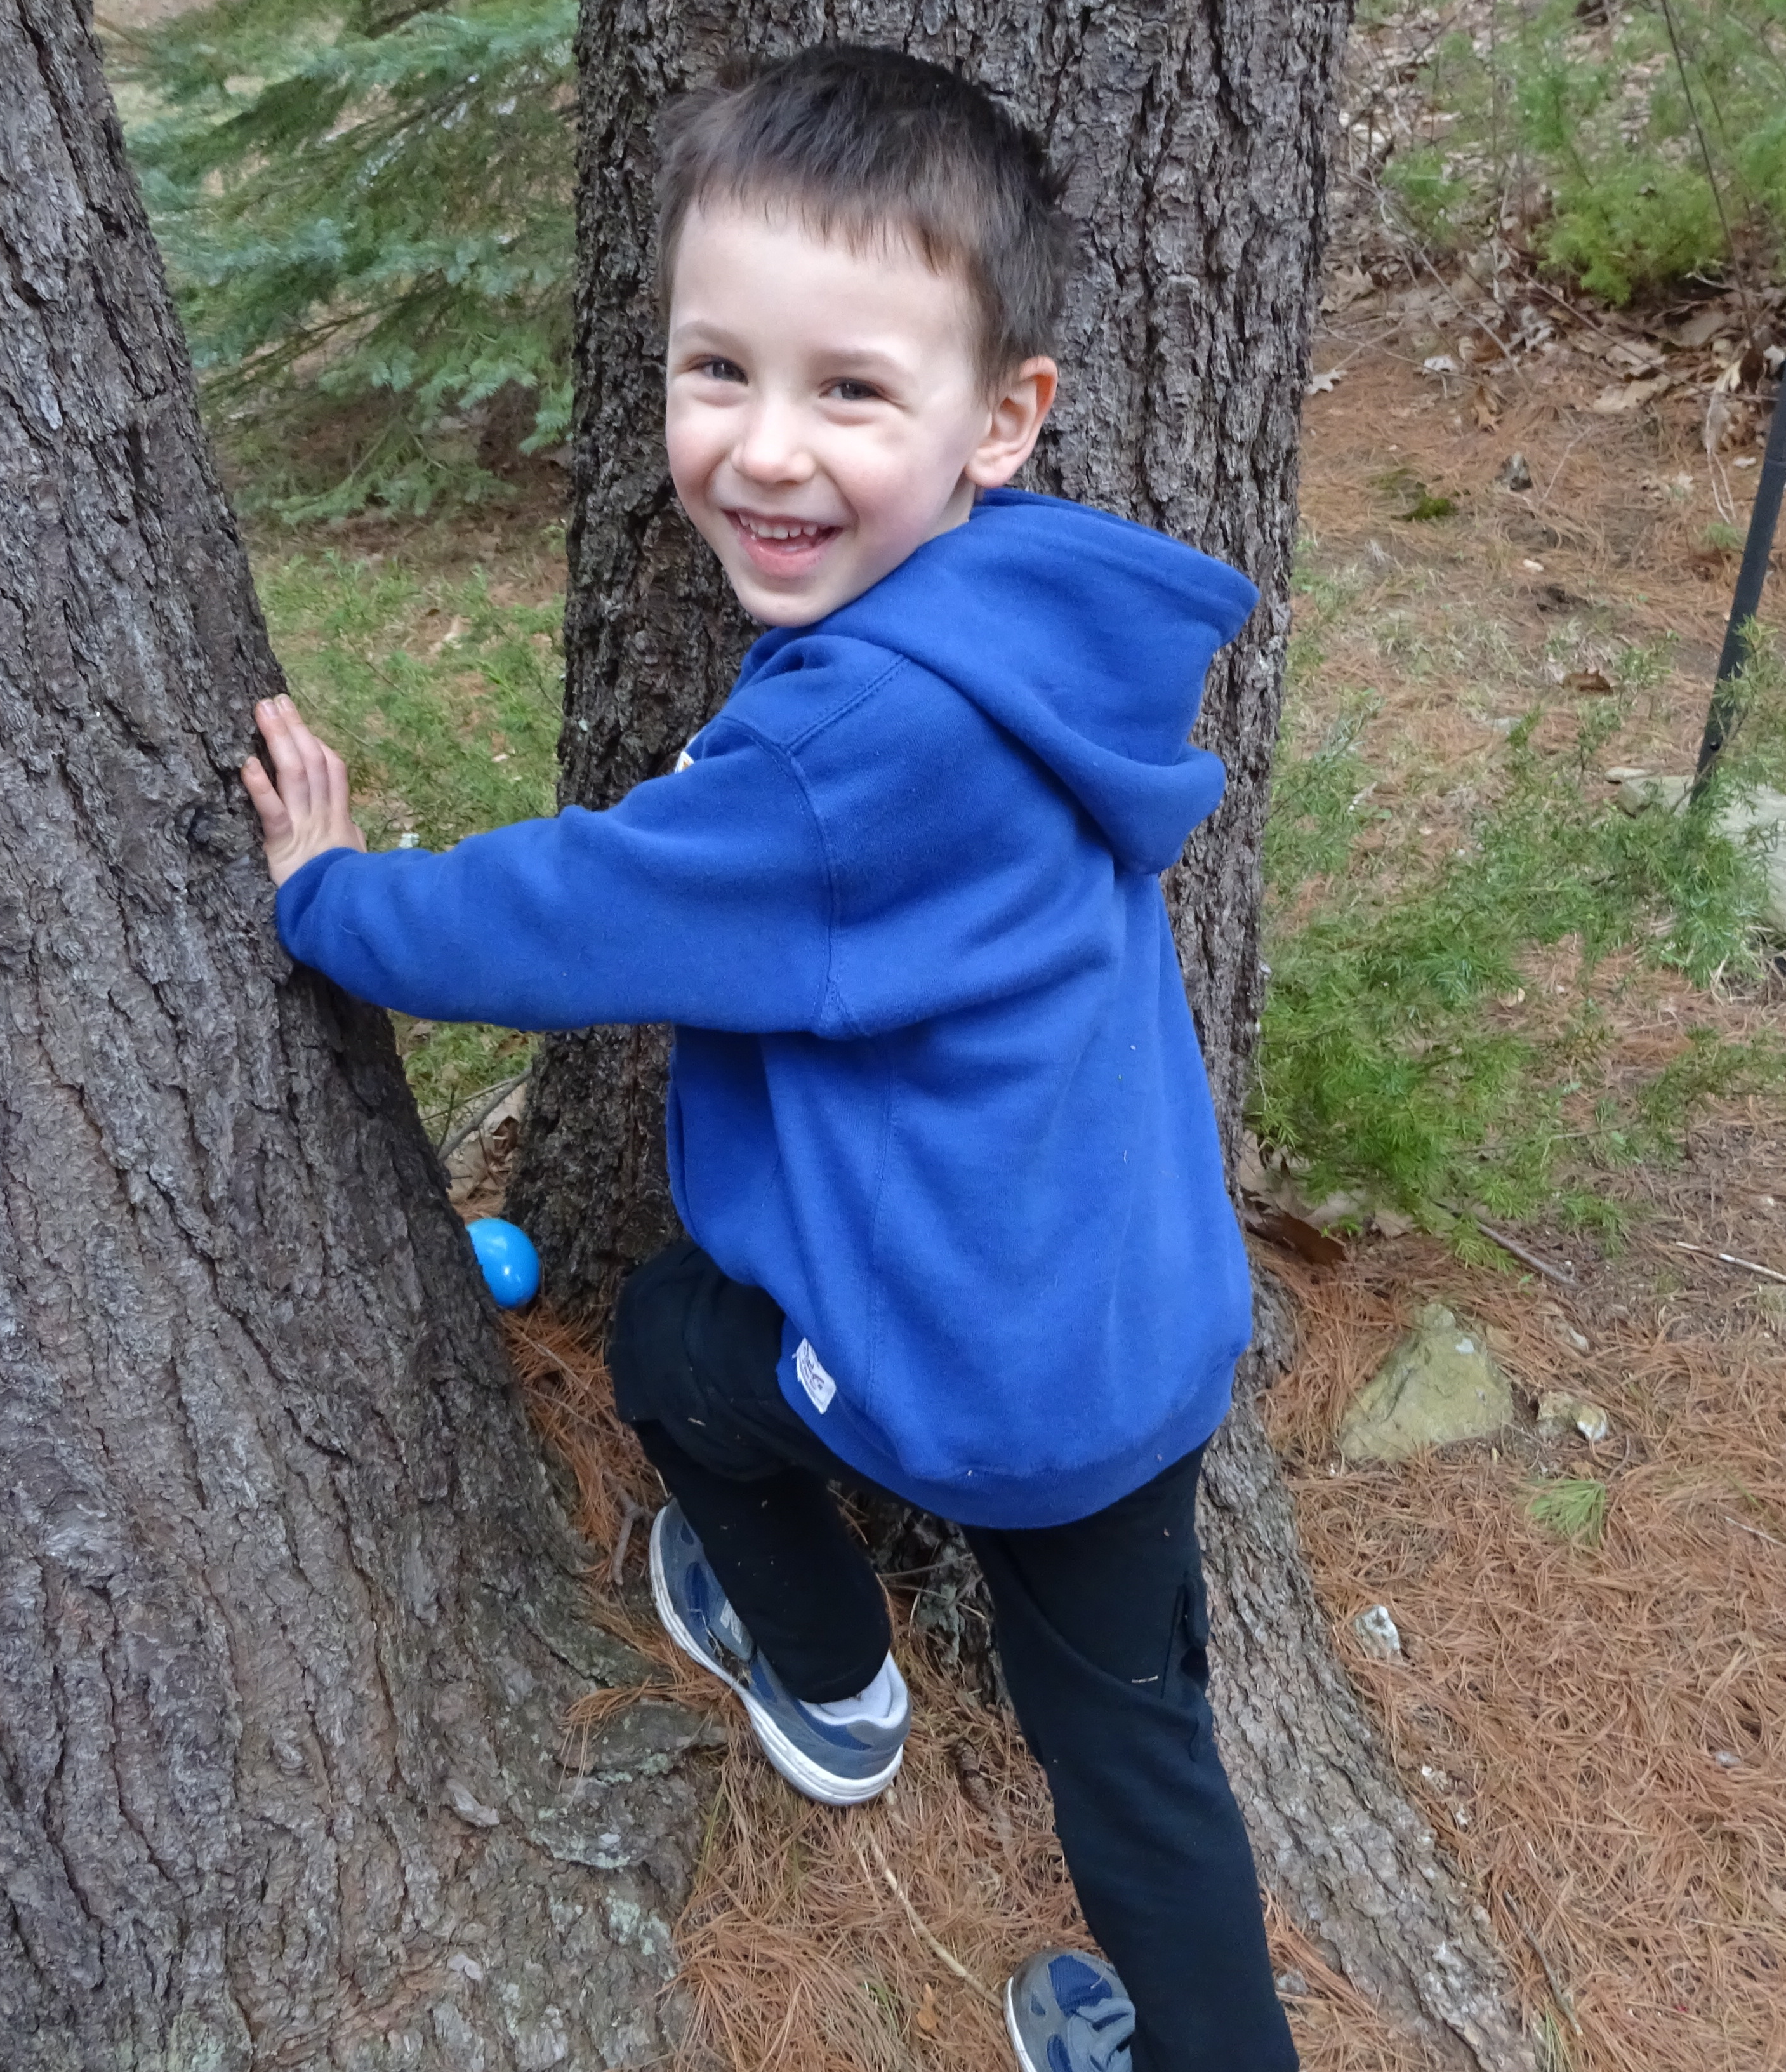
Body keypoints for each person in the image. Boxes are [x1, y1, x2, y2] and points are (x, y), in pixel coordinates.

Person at [241, 44, 1294, 2072]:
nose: (767, 451)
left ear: (1005, 419)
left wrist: (332, 899)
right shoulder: (1040, 642)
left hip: (972, 1381)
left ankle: (826, 1683)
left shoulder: (847, 757)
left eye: (852, 392)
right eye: (718, 369)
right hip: (1143, 1335)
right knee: (1138, 1747)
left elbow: (560, 918)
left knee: (675, 1351)